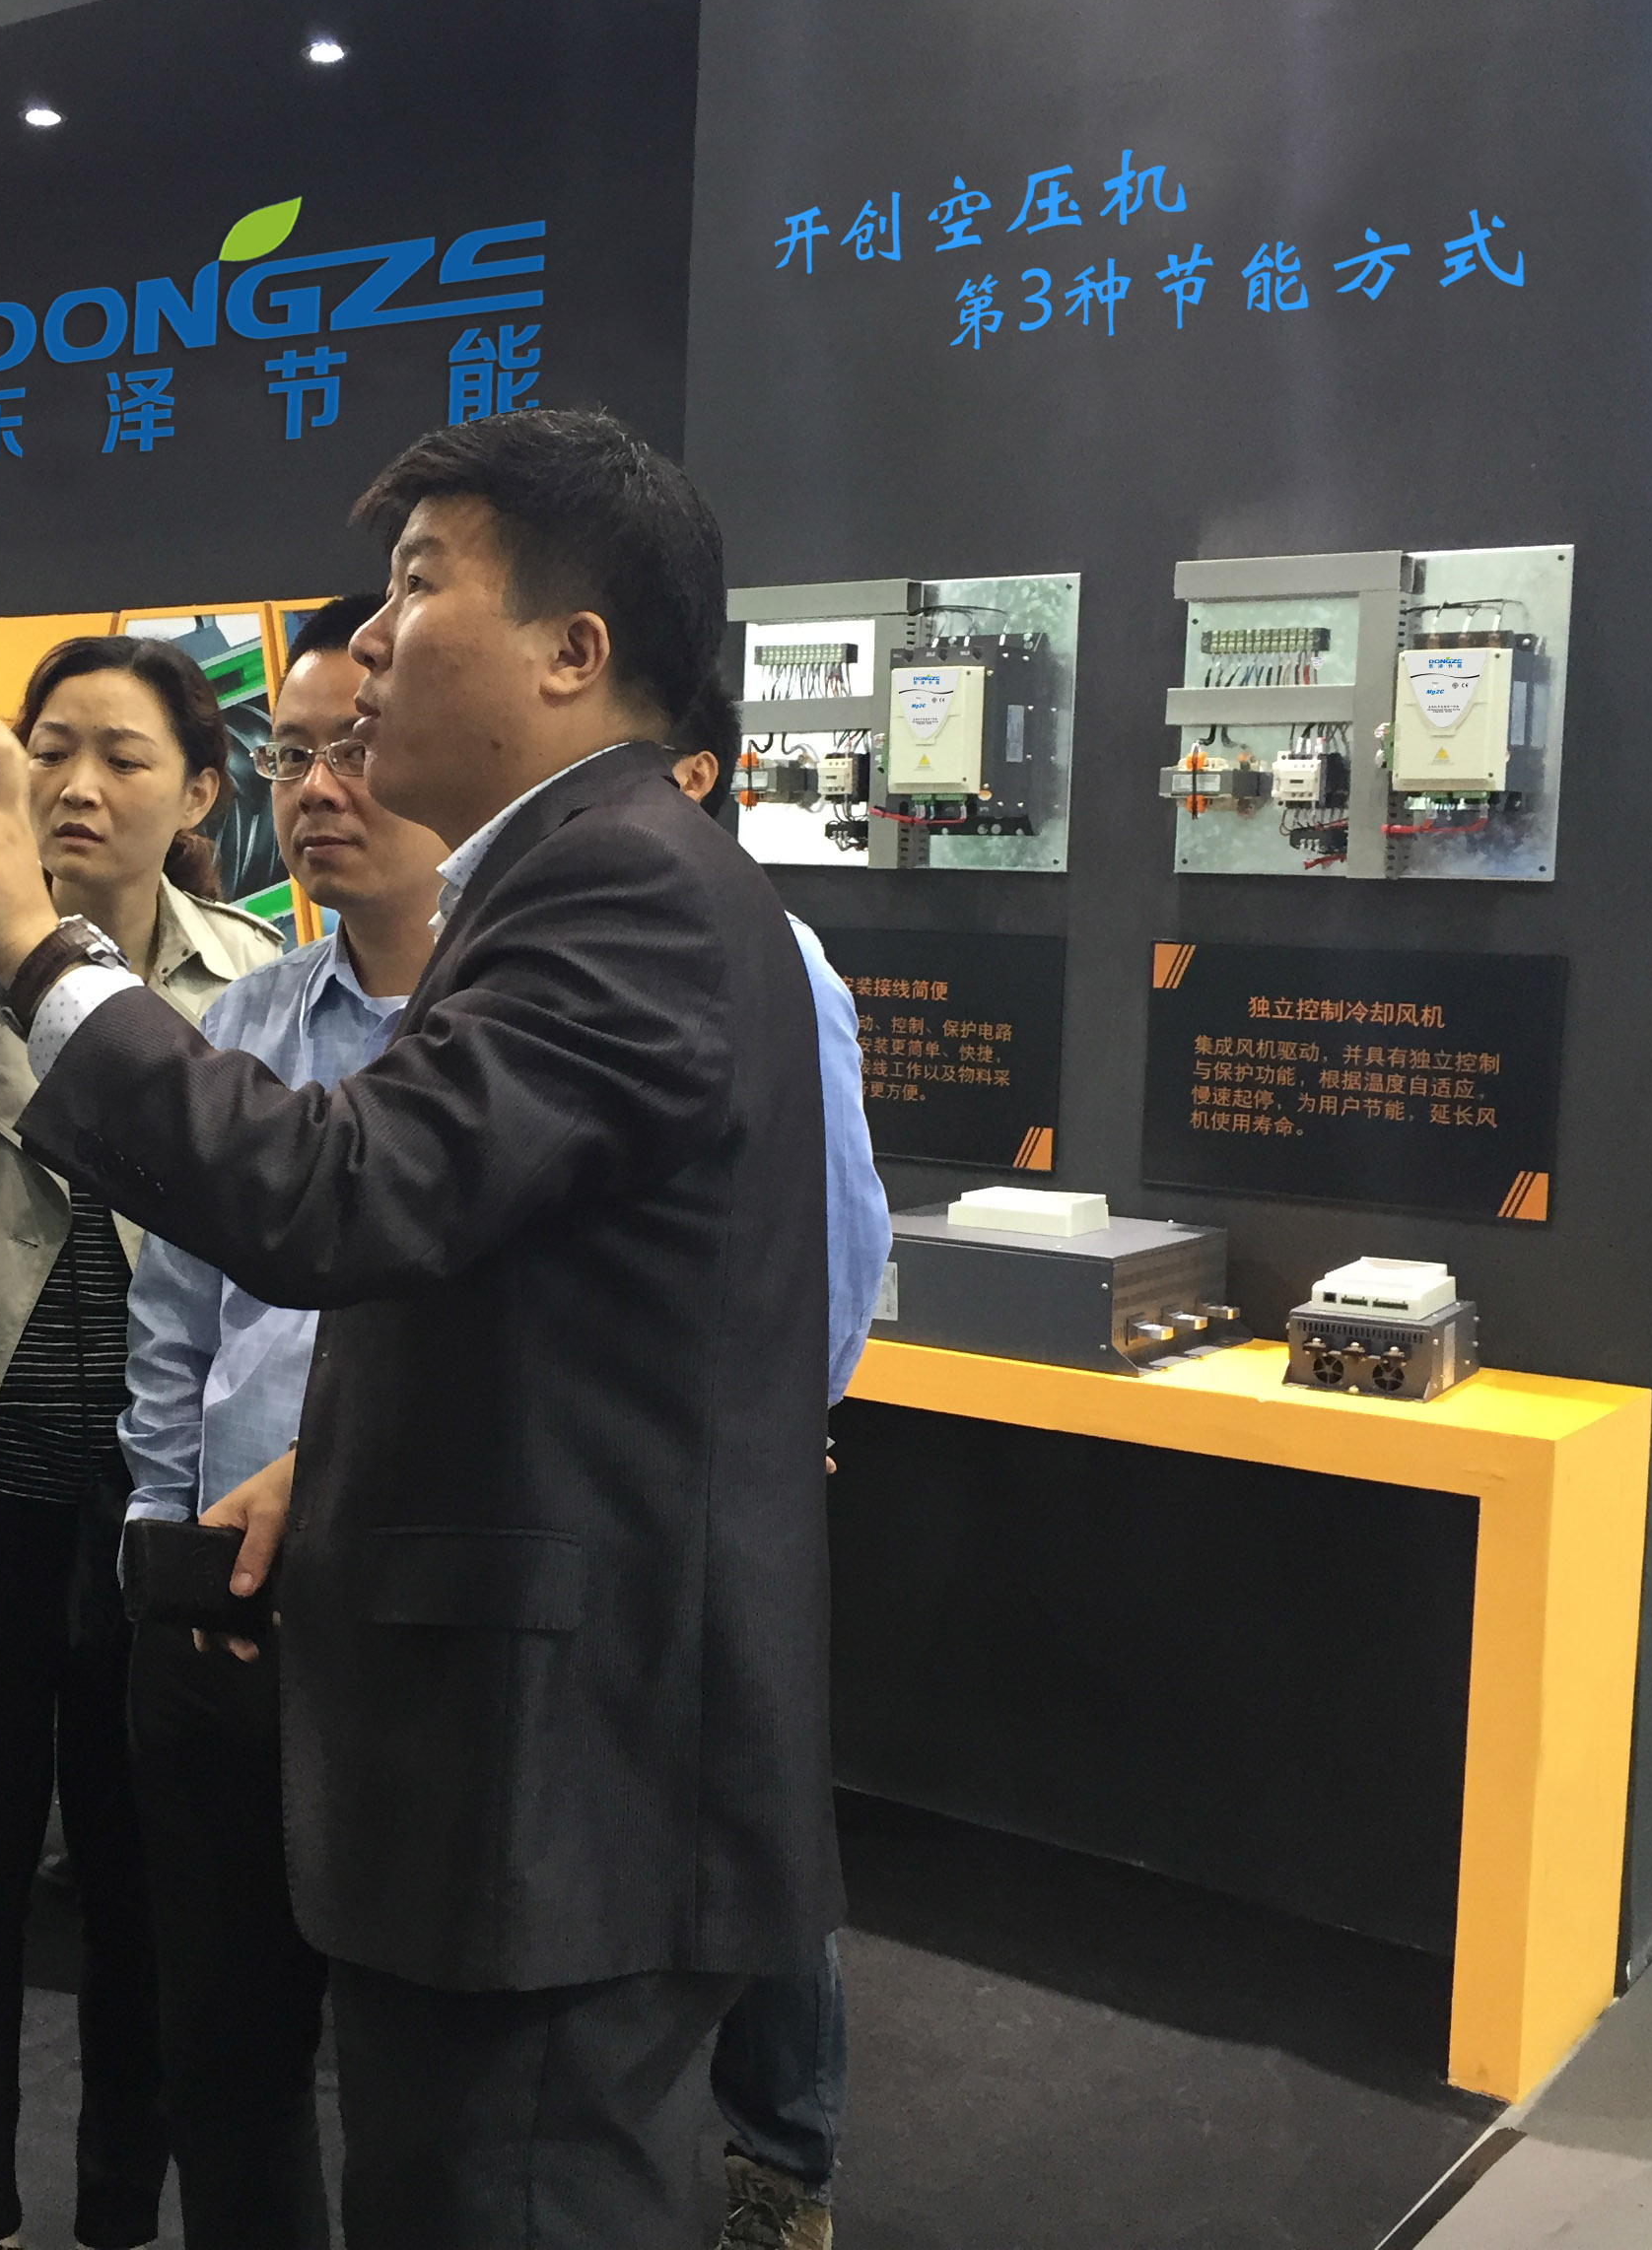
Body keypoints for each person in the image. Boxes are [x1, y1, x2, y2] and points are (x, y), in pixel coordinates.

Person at [0, 406, 843, 2248]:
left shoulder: (619, 884)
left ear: (573, 652)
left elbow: (340, 1193)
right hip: (519, 1767)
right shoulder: (570, 883)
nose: (373, 640)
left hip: (560, 1790)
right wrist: (331, 1476)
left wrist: (40, 946)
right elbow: (531, 1298)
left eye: (418, 585)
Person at [0, 633, 289, 2250]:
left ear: (197, 794)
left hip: (153, 1506)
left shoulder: (255, 984)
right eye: (50, 747)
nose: (76, 784)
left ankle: (120, 2212)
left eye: (124, 757)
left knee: (150, 1896)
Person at [114, 594, 444, 2249]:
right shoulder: (244, 1026)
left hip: (429, 1621)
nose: (317, 789)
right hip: (228, 1623)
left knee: (423, 2072)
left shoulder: (511, 1035)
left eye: (357, 749)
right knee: (227, 2058)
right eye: (290, 756)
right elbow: (176, 1322)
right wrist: (159, 1545)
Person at [667, 689, 891, 2250]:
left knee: (754, 1811)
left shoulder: (773, 956)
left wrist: (771, 1415)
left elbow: (839, 1223)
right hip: (593, 1468)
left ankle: (781, 2161)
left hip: (720, 1466)